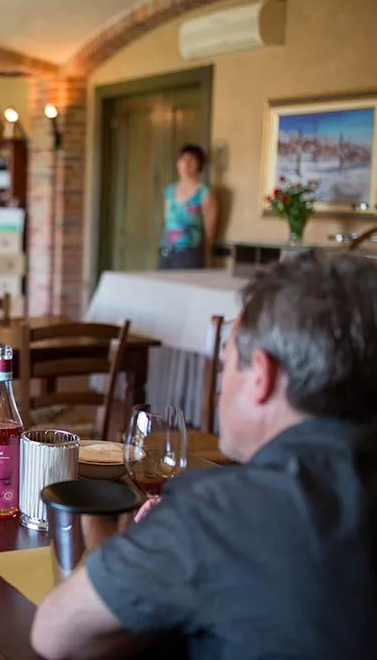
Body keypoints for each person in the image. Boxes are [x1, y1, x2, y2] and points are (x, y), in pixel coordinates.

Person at [30, 250, 377, 659]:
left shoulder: (221, 510)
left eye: (226, 363)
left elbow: (56, 634)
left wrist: (141, 544)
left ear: (261, 376)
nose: (219, 387)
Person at [158, 144, 218, 269]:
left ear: (199, 164)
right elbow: (167, 223)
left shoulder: (204, 193)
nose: (186, 163)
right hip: (166, 250)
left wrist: (206, 258)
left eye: (191, 159)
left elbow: (209, 232)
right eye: (182, 159)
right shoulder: (169, 192)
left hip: (190, 253)